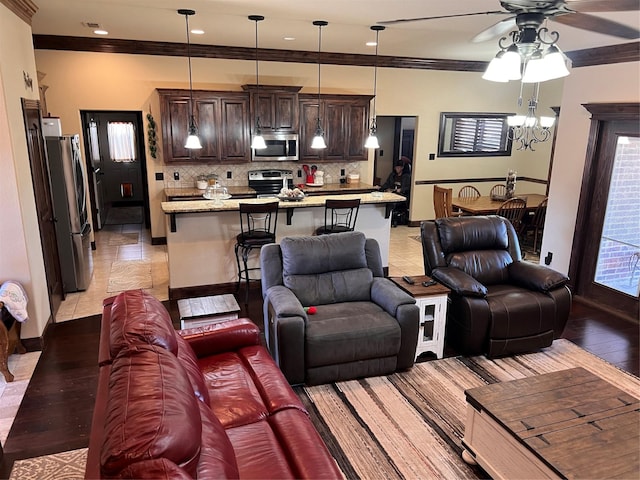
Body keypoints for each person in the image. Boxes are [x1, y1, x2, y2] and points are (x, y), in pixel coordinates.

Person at [381, 159, 411, 226]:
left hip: (402, 195)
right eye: (396, 167)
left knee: (393, 202)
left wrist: (401, 189)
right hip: (392, 192)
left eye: (399, 167)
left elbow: (409, 187)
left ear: (402, 168)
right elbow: (387, 183)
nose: (397, 169)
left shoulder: (406, 176)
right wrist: (381, 188)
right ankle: (386, 218)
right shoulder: (392, 175)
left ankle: (391, 218)